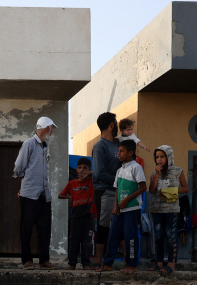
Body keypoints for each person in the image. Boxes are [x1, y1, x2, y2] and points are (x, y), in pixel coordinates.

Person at [13, 117, 56, 269]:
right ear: (46, 128)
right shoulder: (29, 144)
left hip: (44, 193)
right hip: (30, 193)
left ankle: (44, 260)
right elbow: (19, 166)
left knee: (45, 228)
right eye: (51, 128)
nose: (52, 131)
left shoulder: (45, 146)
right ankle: (27, 261)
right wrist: (25, 183)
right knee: (27, 227)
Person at [99, 139, 146, 274]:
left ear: (130, 152)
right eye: (118, 151)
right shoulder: (119, 170)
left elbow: (143, 187)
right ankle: (108, 263)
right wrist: (115, 207)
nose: (118, 154)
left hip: (132, 209)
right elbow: (117, 190)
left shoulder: (136, 167)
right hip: (120, 210)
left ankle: (132, 264)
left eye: (121, 151)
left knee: (131, 237)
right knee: (113, 235)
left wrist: (127, 199)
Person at [146, 145, 188, 274]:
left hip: (171, 209)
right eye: (157, 157)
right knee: (158, 236)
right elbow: (152, 190)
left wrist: (170, 191)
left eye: (162, 157)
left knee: (171, 236)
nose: (159, 160)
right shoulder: (154, 173)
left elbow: (186, 188)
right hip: (157, 209)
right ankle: (158, 263)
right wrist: (157, 175)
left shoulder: (178, 171)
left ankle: (171, 264)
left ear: (169, 157)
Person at [91, 112, 121, 267]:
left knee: (121, 226)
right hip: (105, 191)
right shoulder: (99, 146)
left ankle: (126, 262)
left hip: (120, 192)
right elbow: (99, 172)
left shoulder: (118, 143)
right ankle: (99, 261)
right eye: (115, 122)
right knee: (103, 226)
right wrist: (118, 182)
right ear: (111, 124)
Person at [58, 158, 96, 270]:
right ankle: (72, 263)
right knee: (74, 240)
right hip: (75, 215)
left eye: (85, 168)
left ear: (89, 169)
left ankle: (86, 264)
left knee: (86, 241)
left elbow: (99, 174)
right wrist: (70, 196)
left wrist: (90, 173)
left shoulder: (91, 182)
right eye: (79, 167)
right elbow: (60, 195)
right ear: (76, 169)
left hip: (88, 215)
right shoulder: (72, 183)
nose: (82, 170)